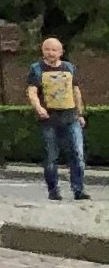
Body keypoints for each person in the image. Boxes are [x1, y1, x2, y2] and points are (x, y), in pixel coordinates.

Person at [31, 32, 91, 203]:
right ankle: (53, 190)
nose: (51, 53)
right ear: (42, 51)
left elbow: (76, 91)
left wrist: (80, 113)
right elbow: (32, 91)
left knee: (77, 154)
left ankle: (78, 189)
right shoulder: (37, 69)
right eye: (47, 49)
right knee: (51, 156)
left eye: (54, 50)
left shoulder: (69, 68)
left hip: (71, 116)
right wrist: (39, 108)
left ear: (61, 52)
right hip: (49, 119)